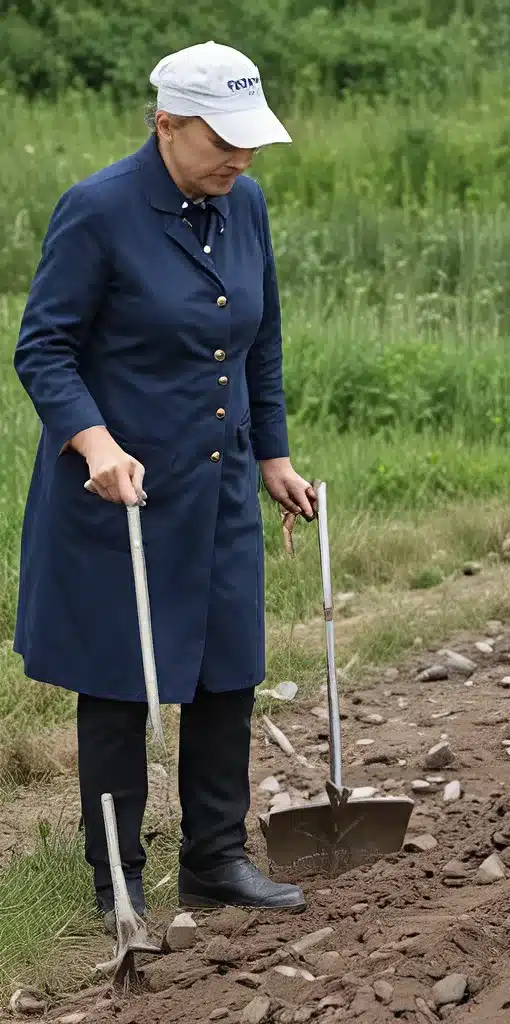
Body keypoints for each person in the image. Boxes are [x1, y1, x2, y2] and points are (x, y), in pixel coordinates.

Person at [12, 40, 316, 926]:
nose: (241, 157)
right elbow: (44, 347)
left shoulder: (244, 205)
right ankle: (119, 887)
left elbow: (260, 340)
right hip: (120, 497)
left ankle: (215, 860)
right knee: (118, 684)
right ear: (166, 125)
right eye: (222, 139)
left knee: (227, 674)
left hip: (217, 489)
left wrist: (273, 456)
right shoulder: (99, 211)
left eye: (251, 140)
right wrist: (94, 442)